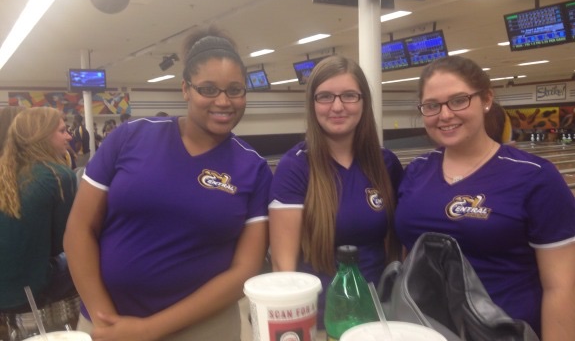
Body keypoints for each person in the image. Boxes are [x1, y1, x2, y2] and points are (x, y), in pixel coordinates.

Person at [64, 26, 272, 341]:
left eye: (235, 90)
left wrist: (148, 330)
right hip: (106, 324)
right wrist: (106, 321)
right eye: (209, 89)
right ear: (185, 89)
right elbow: (79, 230)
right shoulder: (130, 137)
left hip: (204, 329)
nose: (223, 101)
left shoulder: (253, 168)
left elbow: (245, 268)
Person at [395, 56, 575, 340]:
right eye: (432, 105)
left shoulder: (535, 177)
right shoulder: (416, 171)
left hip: (505, 331)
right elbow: (412, 255)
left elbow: (561, 289)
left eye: (458, 100)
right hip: (422, 331)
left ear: (486, 99)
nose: (445, 115)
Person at [268, 55, 403, 329]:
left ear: (363, 101)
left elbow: (398, 245)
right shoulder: (295, 167)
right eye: (325, 96)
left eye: (349, 96)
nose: (338, 106)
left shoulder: (386, 163)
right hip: (321, 320)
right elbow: (283, 266)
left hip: (380, 315)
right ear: (312, 104)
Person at [0, 107, 77, 334]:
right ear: (41, 135)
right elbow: (63, 245)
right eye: (63, 131)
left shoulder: (6, 171)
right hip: (31, 290)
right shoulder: (58, 175)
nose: (69, 137)